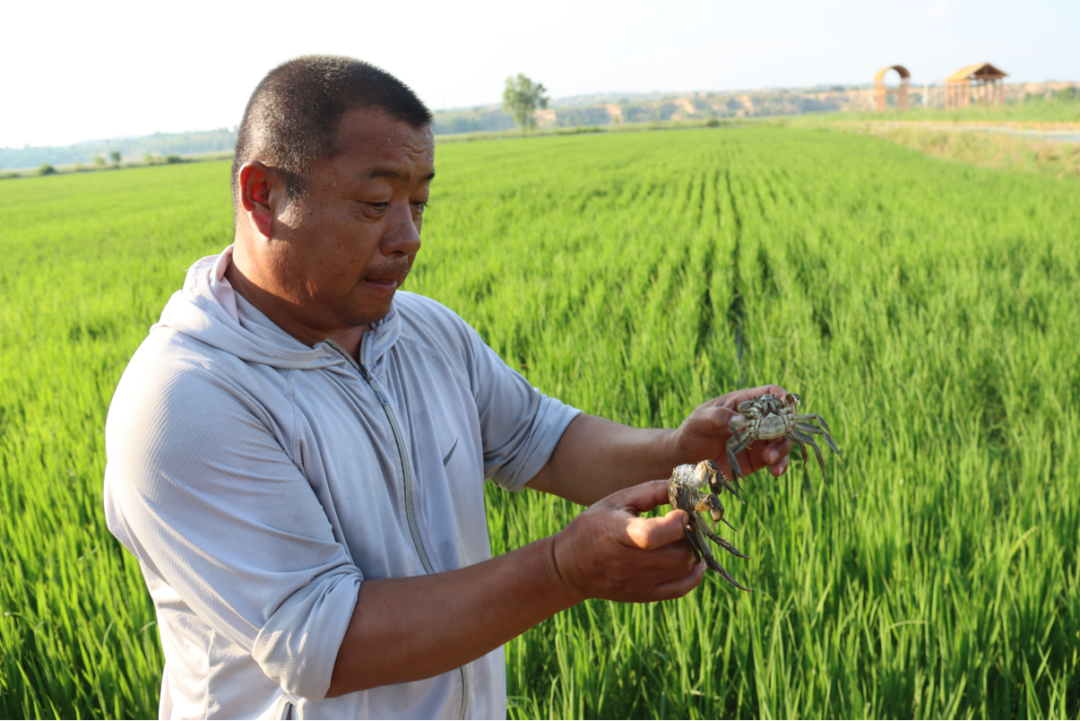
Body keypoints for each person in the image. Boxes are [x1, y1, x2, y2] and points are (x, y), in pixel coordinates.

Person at [103, 55, 792, 721]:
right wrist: (563, 568)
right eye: (376, 203)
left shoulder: (421, 332)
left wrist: (677, 449)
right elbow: (323, 641)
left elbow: (543, 441)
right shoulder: (186, 399)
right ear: (264, 195)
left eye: (419, 203)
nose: (407, 237)